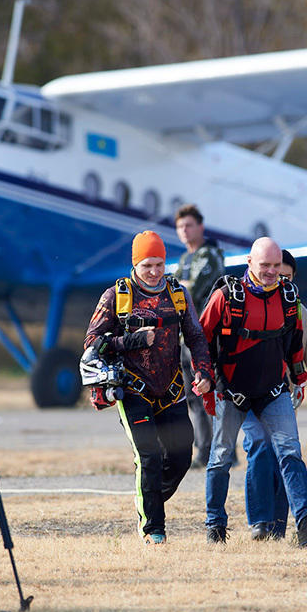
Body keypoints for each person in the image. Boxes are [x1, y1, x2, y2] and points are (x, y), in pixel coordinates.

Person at [199, 237, 307, 547]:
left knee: (290, 451)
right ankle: (215, 525)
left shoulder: (288, 298)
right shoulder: (226, 297)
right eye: (265, 266)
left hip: (273, 391)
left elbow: (296, 344)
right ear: (249, 263)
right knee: (220, 457)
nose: (272, 272)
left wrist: (300, 380)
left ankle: (306, 521)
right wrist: (203, 376)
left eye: (277, 266)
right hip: (231, 392)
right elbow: (200, 340)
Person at [84, 230, 213, 545]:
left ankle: (149, 499)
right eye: (146, 265)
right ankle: (153, 530)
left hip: (171, 390)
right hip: (132, 390)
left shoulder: (177, 293)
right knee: (149, 457)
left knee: (182, 456)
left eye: (159, 263)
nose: (154, 271)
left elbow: (195, 336)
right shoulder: (115, 296)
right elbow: (91, 345)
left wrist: (204, 371)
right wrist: (131, 340)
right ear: (135, 264)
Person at [241, 249, 307, 540]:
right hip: (247, 395)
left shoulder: (297, 309)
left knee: (285, 456)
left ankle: (280, 529)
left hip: (282, 395)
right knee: (260, 450)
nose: (279, 279)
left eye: (286, 276)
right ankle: (259, 524)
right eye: (275, 272)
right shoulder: (244, 302)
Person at [174, 204, 225, 468]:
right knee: (193, 396)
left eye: (189, 225)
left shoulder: (210, 255)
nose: (184, 230)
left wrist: (174, 291)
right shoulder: (184, 260)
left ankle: (219, 449)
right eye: (181, 226)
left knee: (210, 394)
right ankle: (204, 449)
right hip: (185, 338)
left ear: (201, 227)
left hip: (205, 337)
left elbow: (189, 292)